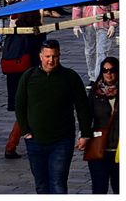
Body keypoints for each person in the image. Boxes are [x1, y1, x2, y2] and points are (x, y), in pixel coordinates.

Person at [15, 39, 92, 194]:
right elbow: (20, 105)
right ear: (41, 56)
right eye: (48, 56)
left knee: (58, 184)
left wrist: (85, 134)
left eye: (55, 56)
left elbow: (83, 107)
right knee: (41, 185)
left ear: (59, 55)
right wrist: (25, 131)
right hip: (35, 141)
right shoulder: (29, 76)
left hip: (62, 141)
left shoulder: (70, 77)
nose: (51, 60)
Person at [1, 10, 45, 159]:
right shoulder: (36, 35)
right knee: (27, 112)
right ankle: (12, 145)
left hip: (13, 75)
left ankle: (12, 145)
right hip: (29, 77)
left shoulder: (13, 32)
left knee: (24, 111)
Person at [72, 0, 118, 85]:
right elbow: (77, 4)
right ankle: (92, 76)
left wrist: (113, 24)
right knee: (90, 51)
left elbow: (115, 5)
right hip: (88, 23)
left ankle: (99, 77)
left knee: (103, 51)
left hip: (104, 23)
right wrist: (76, 23)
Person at [86, 56, 119, 194]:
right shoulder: (95, 92)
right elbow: (86, 117)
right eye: (105, 70)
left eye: (112, 70)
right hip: (99, 149)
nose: (108, 74)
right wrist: (83, 136)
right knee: (99, 189)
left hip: (119, 150)